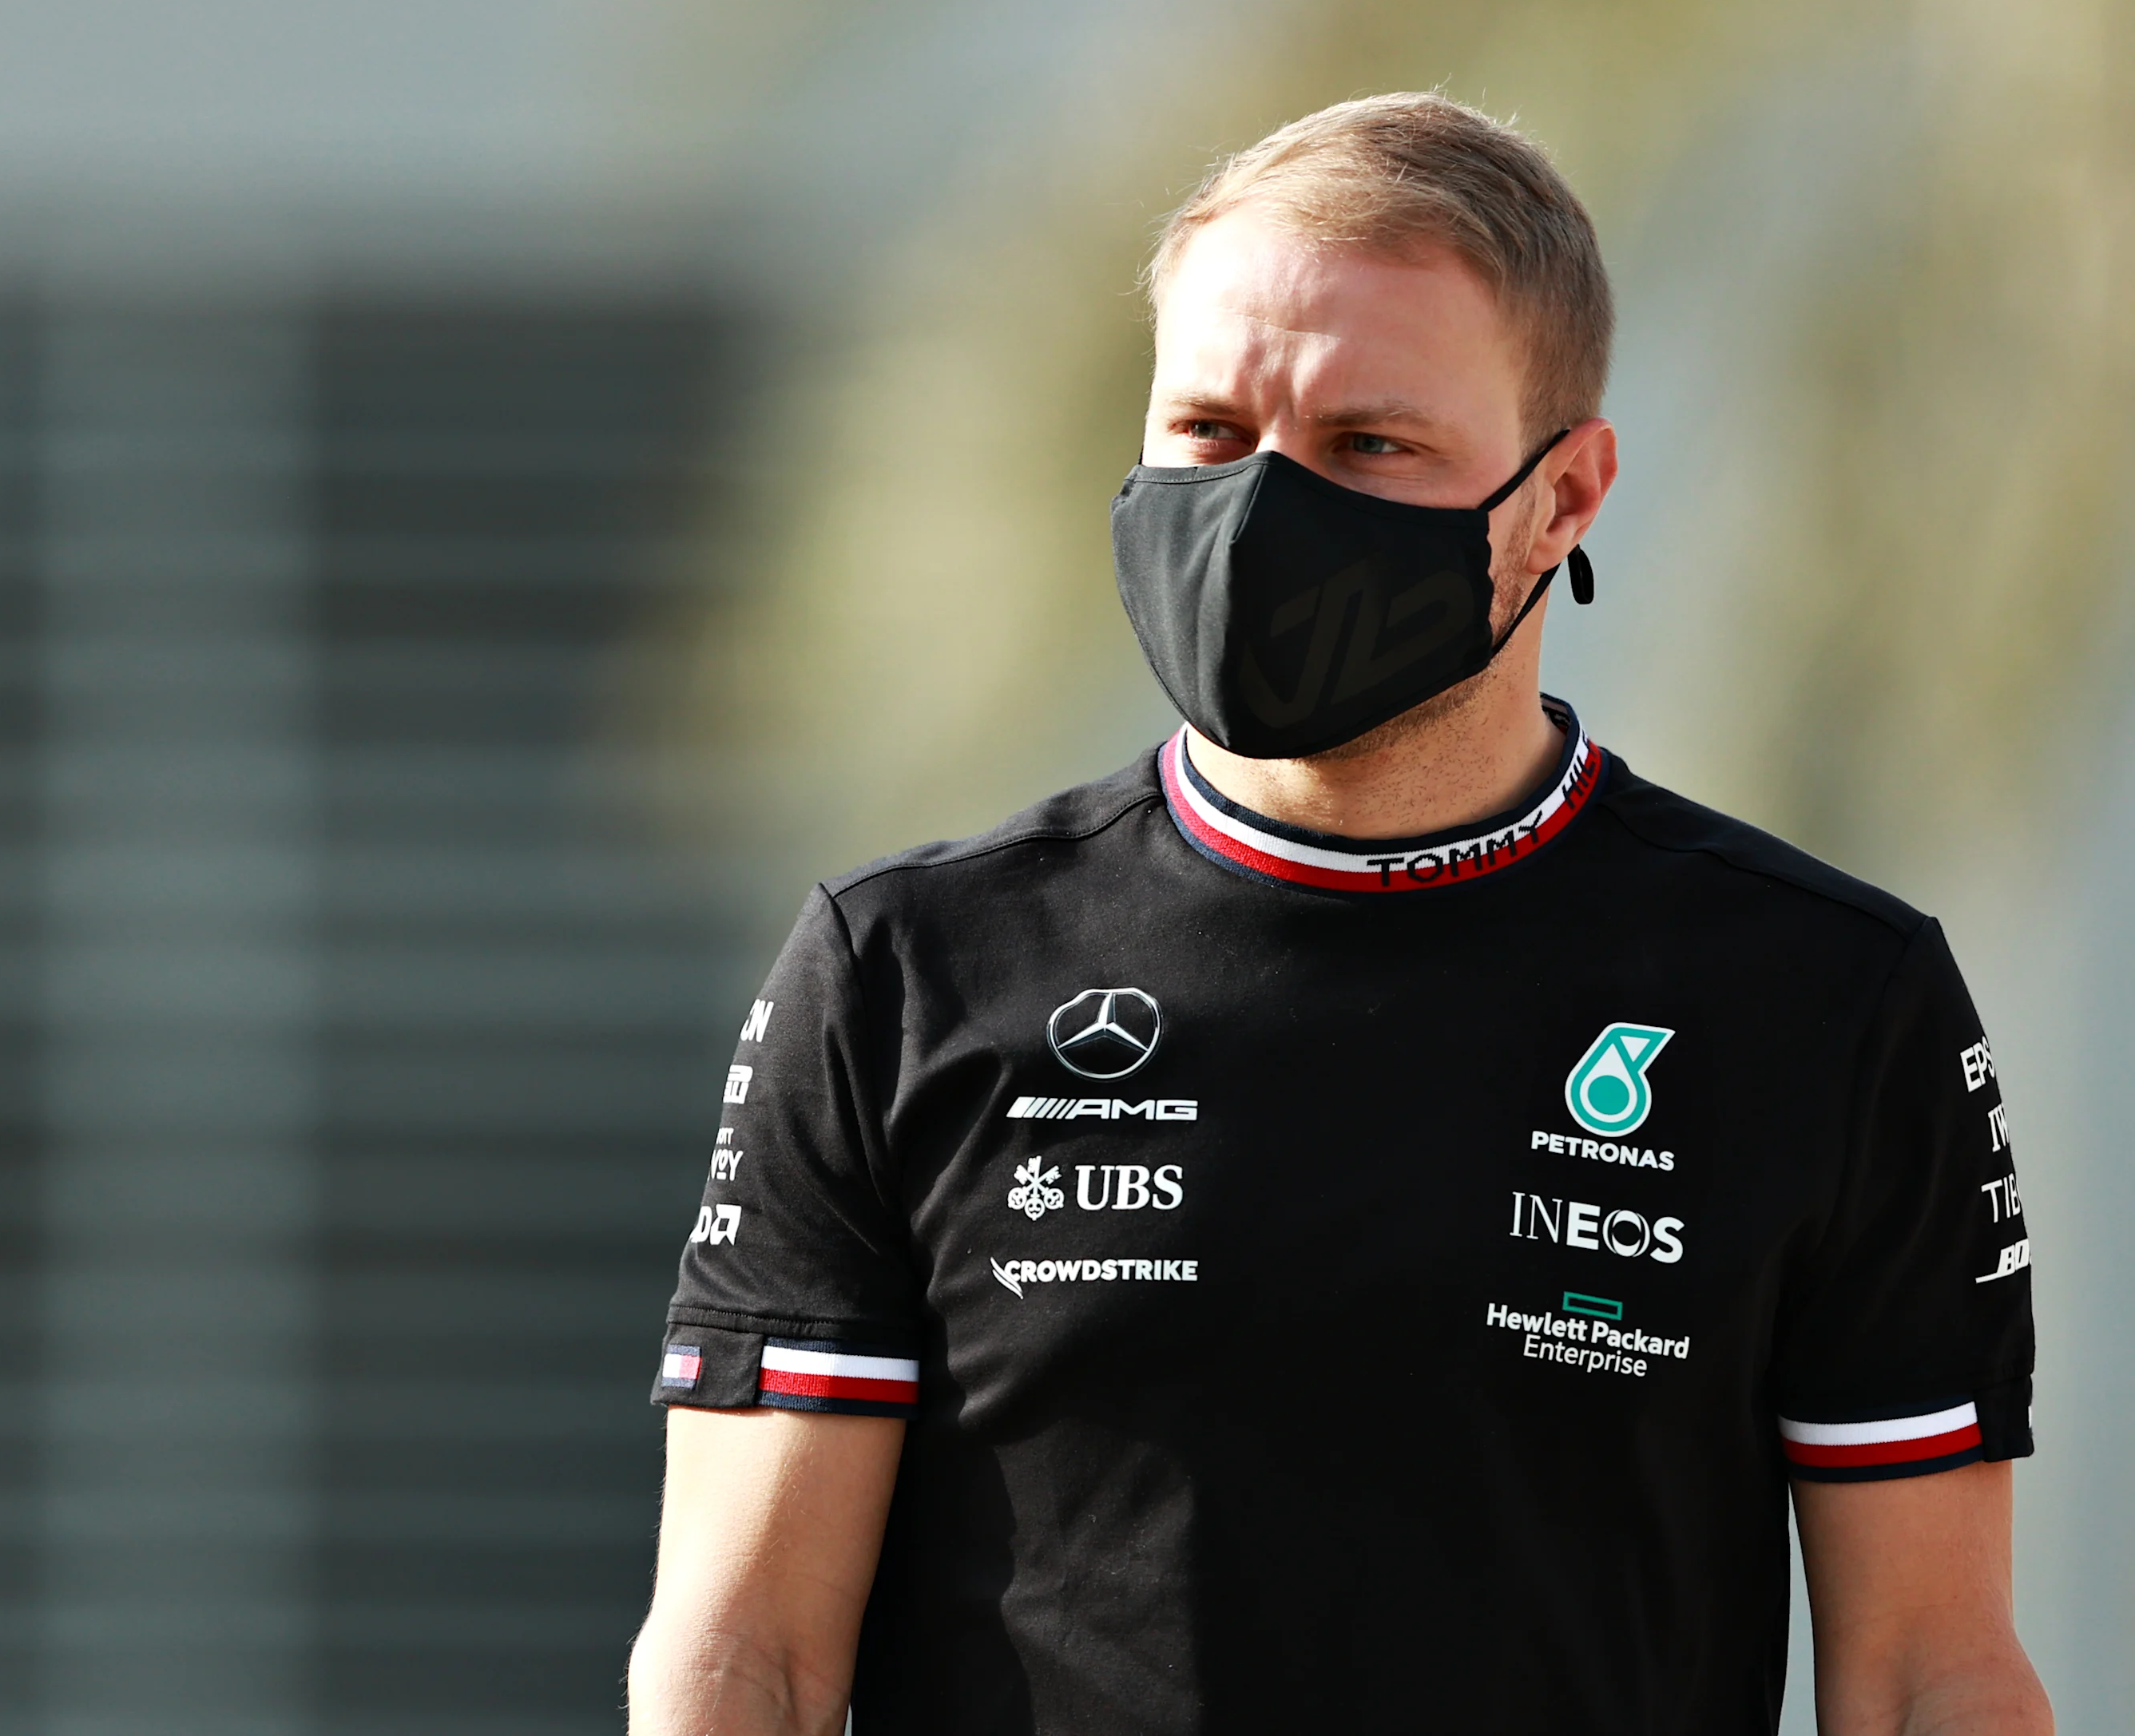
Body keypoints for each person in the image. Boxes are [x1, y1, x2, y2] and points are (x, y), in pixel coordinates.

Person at [625, 93, 2046, 1735]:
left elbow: (1929, 1673)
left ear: (1564, 497)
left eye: (1370, 446)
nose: (1257, 514)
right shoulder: (903, 972)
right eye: (1209, 430)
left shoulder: (1826, 998)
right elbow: (744, 1657)